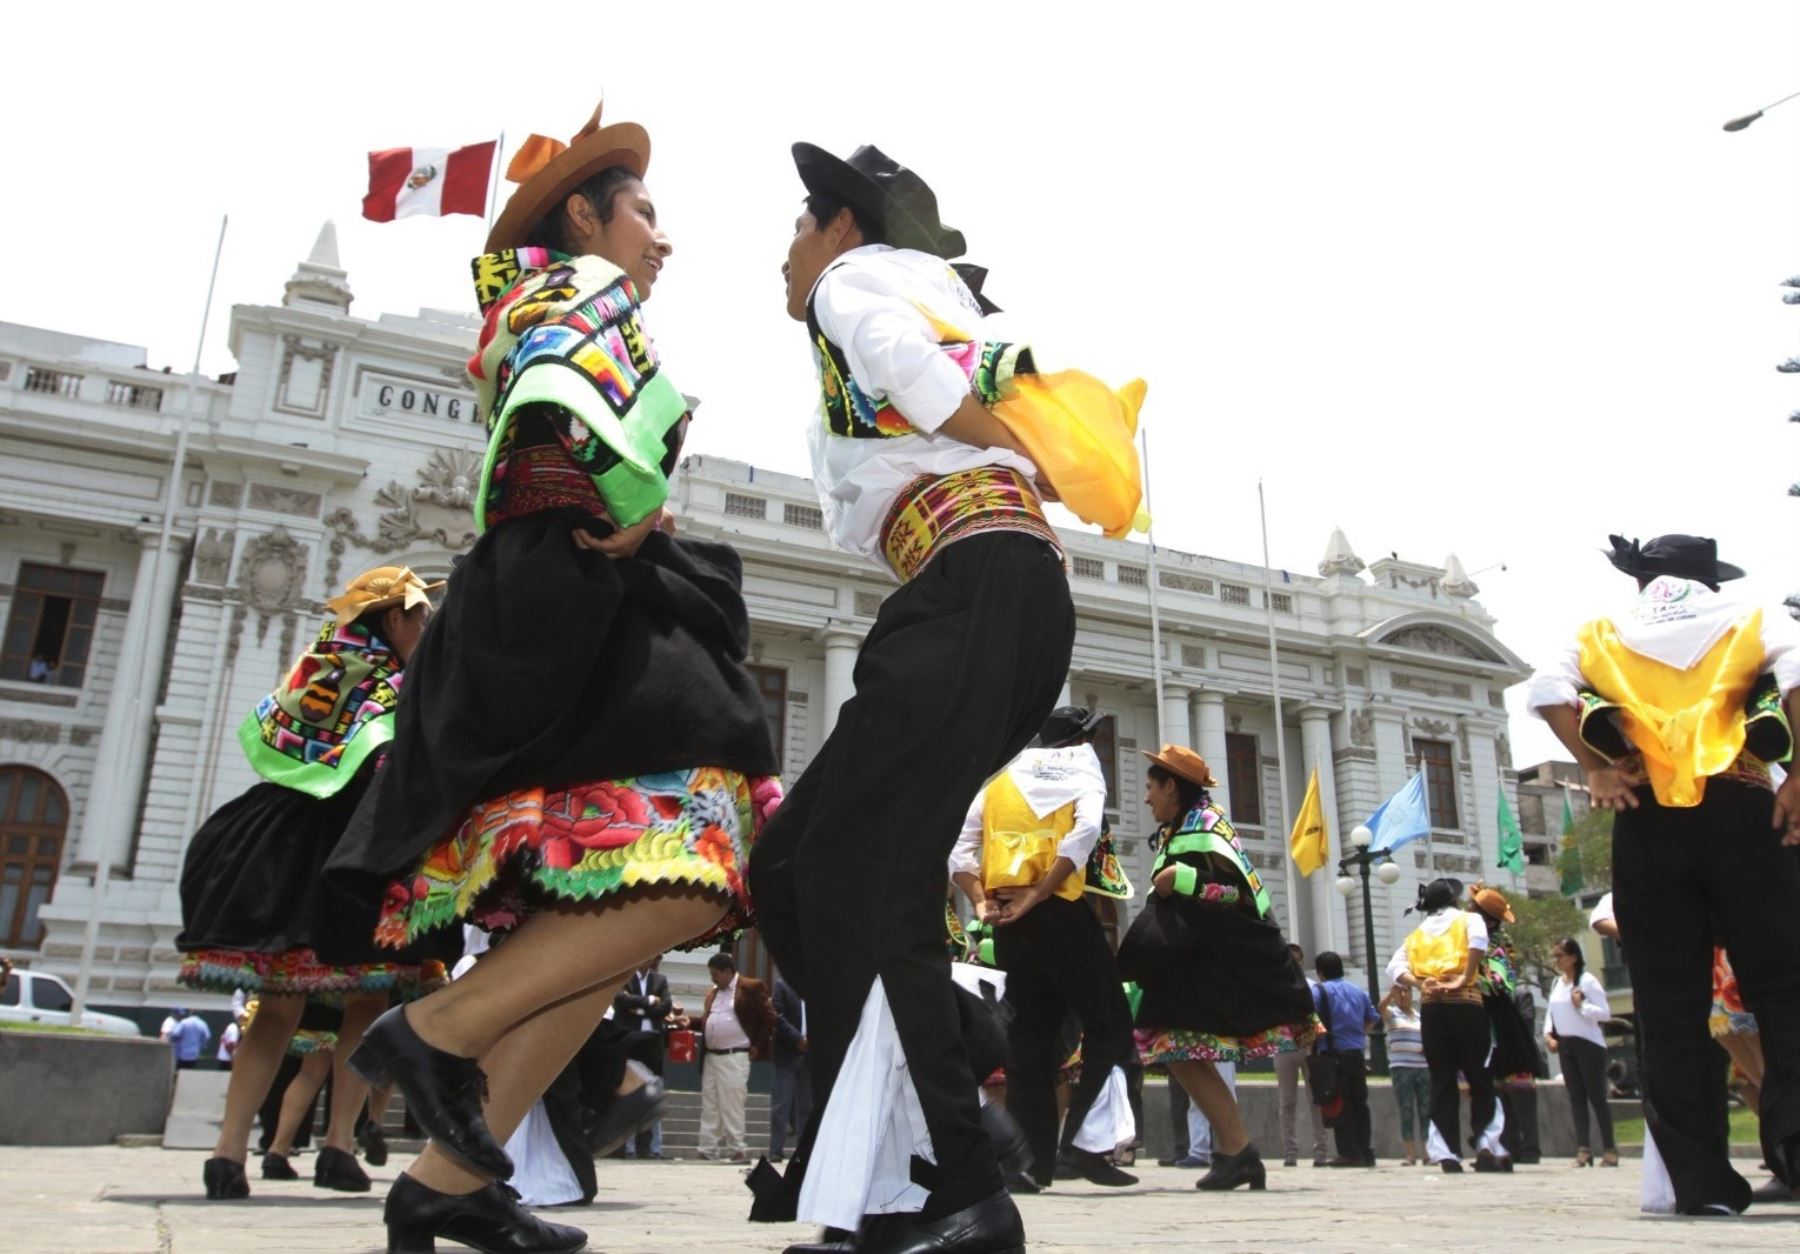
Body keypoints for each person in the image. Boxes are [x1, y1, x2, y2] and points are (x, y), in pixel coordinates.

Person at [325, 102, 781, 1254]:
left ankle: (448, 1181)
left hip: (570, 597)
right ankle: (438, 1028)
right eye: (642, 210)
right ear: (585, 214)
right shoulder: (578, 292)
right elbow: (554, 413)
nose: (659, 236)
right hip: (565, 597)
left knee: (605, 910)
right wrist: (617, 504)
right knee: (691, 866)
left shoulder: (558, 300)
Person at [749, 138, 1143, 1254]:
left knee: (864, 874)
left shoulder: (853, 282)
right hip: (985, 589)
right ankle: (898, 1136)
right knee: (798, 867)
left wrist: (1008, 449)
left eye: (794, 230)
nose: (787, 258)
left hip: (970, 585)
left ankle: (961, 1182)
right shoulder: (927, 292)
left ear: (838, 224)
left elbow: (914, 375)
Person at [1526, 533, 1800, 1215]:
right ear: (1707, 578)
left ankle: (1699, 1184)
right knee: (1785, 985)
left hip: (1645, 814)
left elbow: (1547, 690)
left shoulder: (1603, 632)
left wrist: (1592, 767)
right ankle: (1794, 1154)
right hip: (1740, 805)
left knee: (1668, 1004)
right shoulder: (1750, 616)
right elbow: (1794, 683)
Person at [178, 564, 446, 1203]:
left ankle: (227, 1152)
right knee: (367, 1000)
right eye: (420, 615)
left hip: (276, 840)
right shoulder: (401, 685)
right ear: (393, 621)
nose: (427, 626)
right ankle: (338, 1146)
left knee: (276, 1006)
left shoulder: (316, 674)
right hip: (353, 847)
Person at [949, 706, 1138, 1190]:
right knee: (1110, 1024)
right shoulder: (1082, 767)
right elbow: (1086, 832)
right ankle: (1085, 1146)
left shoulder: (1002, 779)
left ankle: (1027, 1165)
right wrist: (1040, 892)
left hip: (1010, 922)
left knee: (1029, 1040)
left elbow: (960, 851)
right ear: (1080, 739)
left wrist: (981, 902)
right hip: (1059, 913)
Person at [1116, 745, 1319, 1193]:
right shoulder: (1184, 826)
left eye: (1151, 788)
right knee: (1179, 1053)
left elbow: (1236, 895)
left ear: (1172, 786)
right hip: (1193, 963)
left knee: (1180, 1050)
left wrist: (1181, 880)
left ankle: (1238, 1150)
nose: (1146, 798)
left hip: (1212, 966)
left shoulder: (1206, 828)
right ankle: (1236, 1150)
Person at [1386, 878, 1507, 1173]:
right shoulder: (1469, 920)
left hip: (1432, 1009)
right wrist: (1465, 976)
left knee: (1441, 1080)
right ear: (1453, 900)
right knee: (1479, 1076)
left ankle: (1447, 1152)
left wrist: (1419, 982)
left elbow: (1394, 968)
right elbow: (1479, 940)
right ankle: (1486, 1144)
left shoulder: (1415, 935)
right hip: (1466, 1003)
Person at [1469, 885, 1543, 1165]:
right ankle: (1505, 1144)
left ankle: (1526, 1147)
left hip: (1497, 1014)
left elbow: (1498, 982)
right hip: (1488, 1012)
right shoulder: (1483, 939)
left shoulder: (1494, 944)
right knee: (1497, 1087)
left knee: (1513, 1084)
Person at [1546, 937, 1617, 1167]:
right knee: (1576, 1098)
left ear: (1573, 957)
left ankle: (1609, 1149)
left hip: (1589, 1045)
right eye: (1555, 956)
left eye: (1560, 955)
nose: (1557, 960)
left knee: (1597, 1097)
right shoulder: (1557, 983)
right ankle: (1583, 1149)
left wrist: (1583, 1006)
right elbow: (1552, 1011)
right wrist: (1549, 1034)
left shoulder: (1587, 981)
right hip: (1566, 1045)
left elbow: (1605, 1013)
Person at [698, 952, 775, 1161]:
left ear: (728, 972)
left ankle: (737, 1148)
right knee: (710, 1103)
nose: (712, 978)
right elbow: (711, 1020)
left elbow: (769, 1018)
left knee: (732, 1103)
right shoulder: (713, 993)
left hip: (735, 1055)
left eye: (715, 974)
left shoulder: (750, 988)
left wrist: (757, 1046)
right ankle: (707, 1148)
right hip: (711, 1057)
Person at [1311, 951, 1379, 1167]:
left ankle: (1349, 1152)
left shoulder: (1319, 991)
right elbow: (1372, 1019)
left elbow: (1310, 1019)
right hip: (1356, 1054)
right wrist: (1359, 1036)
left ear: (1320, 972)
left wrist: (1317, 1038)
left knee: (1340, 1102)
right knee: (1360, 1103)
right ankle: (1366, 1150)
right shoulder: (1358, 991)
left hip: (1332, 1055)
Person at [1272, 943, 1331, 1169]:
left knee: (1316, 1099)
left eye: (1297, 960)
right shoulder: (1275, 986)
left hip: (1309, 1048)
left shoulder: (1313, 988)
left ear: (1302, 961)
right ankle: (1289, 1151)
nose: (1293, 964)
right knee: (1286, 1102)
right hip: (1284, 1047)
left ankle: (1321, 1151)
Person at [614, 958, 672, 1158]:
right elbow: (621, 1000)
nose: (651, 961)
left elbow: (665, 1007)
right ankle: (628, 1147)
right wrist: (648, 1001)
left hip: (652, 1044)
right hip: (630, 1043)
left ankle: (652, 1148)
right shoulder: (625, 976)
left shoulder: (659, 980)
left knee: (654, 1092)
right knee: (629, 1092)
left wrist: (637, 1007)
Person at [1378, 982, 1430, 1165]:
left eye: (1406, 991)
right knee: (1406, 1109)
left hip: (1422, 1067)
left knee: (1426, 1109)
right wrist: (1390, 995)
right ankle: (1410, 1153)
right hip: (1402, 1067)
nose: (1403, 995)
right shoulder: (1393, 1013)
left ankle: (1427, 1152)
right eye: (1400, 992)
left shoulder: (1418, 1016)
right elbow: (1380, 1008)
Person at [770, 973, 812, 1164]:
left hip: (810, 1056)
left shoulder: (815, 987)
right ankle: (776, 1150)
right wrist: (797, 1040)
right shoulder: (782, 986)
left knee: (806, 1107)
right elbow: (778, 1017)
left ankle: (803, 1150)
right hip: (788, 1054)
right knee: (781, 1105)